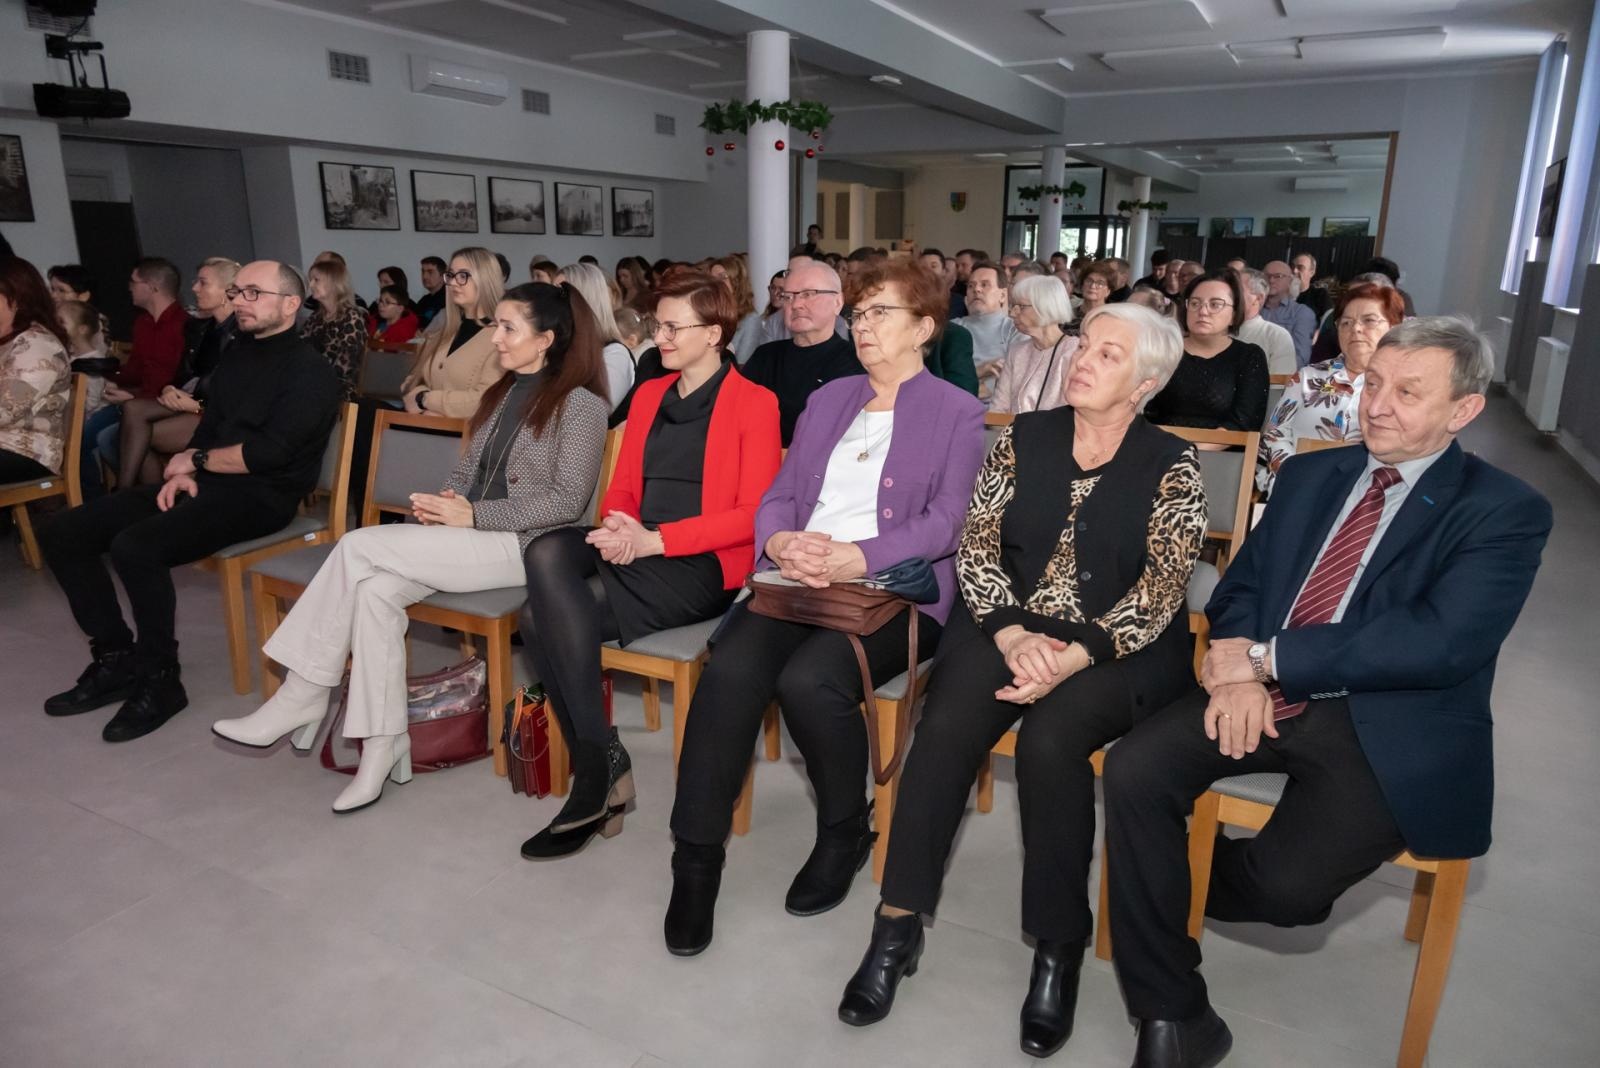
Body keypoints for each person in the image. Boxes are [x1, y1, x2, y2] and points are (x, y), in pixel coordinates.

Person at [1102, 317, 1551, 1068]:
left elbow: (1440, 641)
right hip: (1264, 683)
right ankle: (1170, 1012)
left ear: (1463, 411)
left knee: (1286, 893)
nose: (1377, 405)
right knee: (1134, 770)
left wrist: (1269, 661)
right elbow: (1240, 587)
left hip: (1386, 717)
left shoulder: (1504, 510)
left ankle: (1182, 882)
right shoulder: (1315, 473)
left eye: (1409, 392)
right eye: (1374, 382)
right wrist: (1236, 662)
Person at [838, 305, 1206, 1056]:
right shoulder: (1022, 439)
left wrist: (1071, 657)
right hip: (1009, 623)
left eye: (1109, 354)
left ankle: (1056, 950)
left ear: (1147, 383)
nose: (1084, 360)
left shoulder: (1173, 462)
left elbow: (1162, 591)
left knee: (1051, 743)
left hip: (1116, 647)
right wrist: (1011, 633)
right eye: (1086, 346)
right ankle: (896, 926)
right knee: (942, 728)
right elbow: (977, 551)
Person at [664, 258, 987, 957]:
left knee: (810, 682)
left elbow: (948, 522)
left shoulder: (957, 411)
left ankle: (845, 827)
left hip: (895, 591)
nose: (863, 327)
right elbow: (781, 493)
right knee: (727, 675)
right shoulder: (830, 398)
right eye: (861, 313)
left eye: (881, 314)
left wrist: (856, 556)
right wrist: (781, 538)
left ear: (924, 328)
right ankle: (695, 861)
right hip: (797, 576)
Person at [211, 281, 611, 810]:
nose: (495, 338)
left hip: (524, 545)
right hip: (467, 535)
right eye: (495, 325)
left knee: (356, 547)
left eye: (508, 327)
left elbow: (567, 501)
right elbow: (470, 469)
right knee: (374, 592)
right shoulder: (503, 392)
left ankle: (302, 694)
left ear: (547, 339)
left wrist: (473, 513)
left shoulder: (581, 406)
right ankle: (383, 743)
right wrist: (448, 500)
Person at [517, 270, 782, 858]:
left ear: (713, 334)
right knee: (546, 548)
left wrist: (655, 542)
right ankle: (601, 757)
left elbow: (752, 517)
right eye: (657, 324)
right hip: (638, 541)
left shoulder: (755, 402)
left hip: (701, 564)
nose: (657, 335)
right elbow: (623, 486)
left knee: (536, 620)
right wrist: (617, 526)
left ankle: (595, 778)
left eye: (671, 326)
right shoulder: (651, 392)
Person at [39, 262, 341, 743]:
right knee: (65, 532)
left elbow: (269, 454)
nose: (240, 300)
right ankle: (117, 658)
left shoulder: (313, 373)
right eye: (238, 291)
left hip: (263, 497)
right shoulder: (240, 354)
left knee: (136, 547)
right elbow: (212, 424)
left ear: (289, 305)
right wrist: (187, 464)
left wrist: (195, 459)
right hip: (212, 480)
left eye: (254, 293)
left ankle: (160, 679)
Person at [1258, 282, 1406, 495]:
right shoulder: (1308, 377)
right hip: (1298, 484)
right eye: (1346, 322)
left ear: (1394, 327)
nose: (1355, 328)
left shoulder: (1404, 386)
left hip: (1370, 492)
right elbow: (1275, 435)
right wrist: (1298, 473)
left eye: (1369, 321)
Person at [115, 257, 241, 488]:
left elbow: (232, 389)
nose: (194, 288)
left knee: (137, 437)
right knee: (132, 412)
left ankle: (134, 495)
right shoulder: (200, 328)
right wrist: (170, 388)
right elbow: (183, 373)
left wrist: (195, 402)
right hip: (192, 401)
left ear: (228, 291)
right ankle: (138, 497)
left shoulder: (242, 332)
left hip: (214, 410)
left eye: (203, 283)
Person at [83, 258, 191, 495]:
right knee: (95, 434)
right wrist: (104, 368)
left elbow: (176, 379)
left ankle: (130, 494)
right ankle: (131, 495)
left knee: (109, 437)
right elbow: (134, 371)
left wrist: (131, 395)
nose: (129, 287)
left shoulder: (183, 325)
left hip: (175, 402)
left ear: (152, 287)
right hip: (141, 401)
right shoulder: (143, 323)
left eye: (134, 281)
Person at [742, 260, 862, 446]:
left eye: (808, 294)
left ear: (837, 302)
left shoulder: (854, 365)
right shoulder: (765, 356)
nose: (796, 304)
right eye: (788, 297)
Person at [1145, 271, 1269, 432]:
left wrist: (1192, 452)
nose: (1203, 311)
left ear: (1234, 314)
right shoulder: (1164, 349)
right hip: (1159, 447)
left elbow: (1244, 420)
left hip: (1221, 454)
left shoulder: (1249, 356)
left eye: (1215, 304)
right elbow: (1142, 410)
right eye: (1195, 303)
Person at [400, 246, 505, 418]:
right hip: (427, 424)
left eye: (463, 276)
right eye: (450, 275)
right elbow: (411, 381)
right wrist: (421, 399)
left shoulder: (499, 337)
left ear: (485, 279)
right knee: (363, 410)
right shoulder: (444, 330)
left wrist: (425, 400)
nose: (454, 283)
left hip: (465, 435)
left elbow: (484, 400)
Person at [0, 257, 72, 483]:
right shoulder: (7, 341)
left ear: (17, 298)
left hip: (24, 450)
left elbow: (4, 410)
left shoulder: (37, 346)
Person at [990, 274, 1078, 414]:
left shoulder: (1074, 351)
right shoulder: (1016, 352)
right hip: (1014, 433)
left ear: (1045, 306)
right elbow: (998, 409)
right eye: (1013, 306)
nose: (1012, 313)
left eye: (1021, 306)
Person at [559, 261, 635, 413]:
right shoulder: (561, 346)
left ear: (582, 300)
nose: (549, 302)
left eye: (559, 295)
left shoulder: (615, 355)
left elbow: (591, 415)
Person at [300, 257, 366, 398]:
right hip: (312, 383)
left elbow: (346, 366)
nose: (311, 285)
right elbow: (300, 350)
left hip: (339, 389)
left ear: (333, 283)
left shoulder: (351, 317)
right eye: (310, 280)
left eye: (316, 280)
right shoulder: (315, 318)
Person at [953, 261, 1020, 393]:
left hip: (1000, 409)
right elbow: (943, 378)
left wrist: (968, 380)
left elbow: (1015, 379)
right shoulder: (952, 328)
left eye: (985, 285)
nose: (976, 290)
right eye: (971, 286)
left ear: (1002, 295)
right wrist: (979, 372)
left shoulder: (1014, 329)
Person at [1234, 268, 1298, 376]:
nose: (1228, 296)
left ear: (1258, 298)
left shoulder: (1277, 336)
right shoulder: (1212, 330)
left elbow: (1280, 387)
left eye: (1236, 291)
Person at [56, 299, 112, 416]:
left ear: (82, 329)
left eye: (61, 322)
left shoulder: (94, 361)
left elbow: (92, 402)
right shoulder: (66, 355)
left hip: (87, 419)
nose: (56, 326)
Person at [1260, 260, 1317, 368]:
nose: (1271, 280)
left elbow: (1301, 357)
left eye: (1278, 276)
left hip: (1281, 378)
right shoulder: (1252, 309)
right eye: (1266, 276)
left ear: (1290, 281)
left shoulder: (1301, 313)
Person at [711, 255, 763, 362]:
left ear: (737, 282)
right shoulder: (709, 314)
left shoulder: (750, 320)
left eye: (722, 277)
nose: (715, 283)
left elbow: (743, 364)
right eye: (712, 278)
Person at [1292, 251, 1329, 321]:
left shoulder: (1320, 295)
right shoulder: (1283, 294)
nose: (1294, 271)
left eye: (1300, 268)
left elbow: (1328, 323)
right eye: (1293, 267)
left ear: (1311, 273)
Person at [415, 256, 448, 329]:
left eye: (430, 272)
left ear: (443, 276)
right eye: (423, 271)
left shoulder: (449, 300)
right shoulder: (423, 300)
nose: (424, 276)